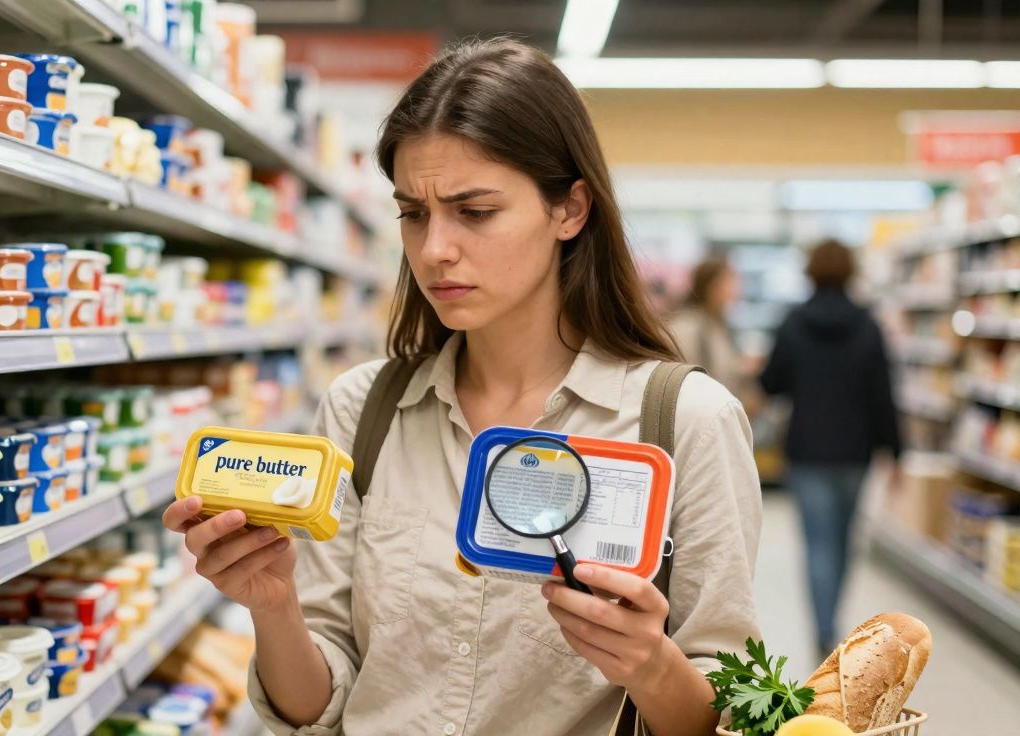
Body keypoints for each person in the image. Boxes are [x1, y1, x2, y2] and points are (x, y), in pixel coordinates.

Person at [164, 38, 762, 736]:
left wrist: (649, 664)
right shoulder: (364, 411)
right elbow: (313, 710)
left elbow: (733, 711)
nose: (434, 249)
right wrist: (272, 604)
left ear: (570, 210)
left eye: (474, 212)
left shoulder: (684, 421)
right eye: (413, 213)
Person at [759, 239, 902, 655]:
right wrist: (896, 451)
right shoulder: (868, 324)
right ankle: (831, 620)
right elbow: (882, 392)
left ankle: (823, 628)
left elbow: (773, 383)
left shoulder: (793, 322)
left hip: (807, 450)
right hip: (855, 451)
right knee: (843, 541)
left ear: (811, 272)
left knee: (818, 543)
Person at [669, 257, 750, 401]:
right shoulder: (688, 326)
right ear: (710, 287)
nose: (736, 291)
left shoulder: (717, 323)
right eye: (728, 283)